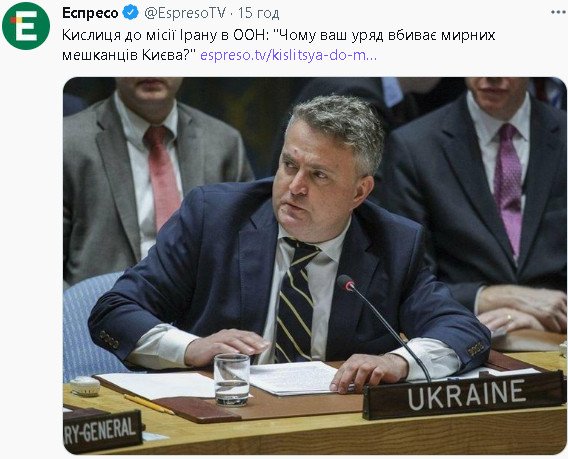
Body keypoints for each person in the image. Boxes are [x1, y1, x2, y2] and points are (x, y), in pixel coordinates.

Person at [89, 95, 490, 394]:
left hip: (333, 427)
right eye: (289, 165)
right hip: (224, 418)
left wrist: (398, 363)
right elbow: (114, 312)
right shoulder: (214, 217)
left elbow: (462, 330)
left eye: (318, 175)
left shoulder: (393, 243)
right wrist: (192, 348)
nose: (294, 187)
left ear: (359, 191)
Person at [375, 77, 567, 335]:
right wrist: (490, 297)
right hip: (462, 335)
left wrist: (543, 322)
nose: (492, 74)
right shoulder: (414, 147)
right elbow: (406, 283)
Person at [64, 77, 254, 287]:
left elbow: (247, 253)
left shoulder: (224, 143)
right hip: (96, 301)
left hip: (198, 302)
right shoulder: (66, 142)